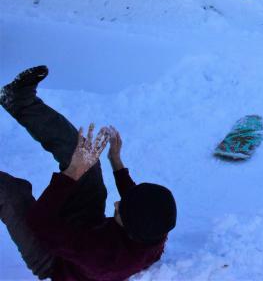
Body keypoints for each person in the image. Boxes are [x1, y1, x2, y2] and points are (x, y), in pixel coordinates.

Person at [0, 65, 177, 280]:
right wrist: (116, 162)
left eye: (120, 211)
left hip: (53, 255)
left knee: (10, 192)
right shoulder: (154, 233)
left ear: (131, 231)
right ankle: (20, 101)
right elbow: (138, 203)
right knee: (86, 159)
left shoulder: (102, 258)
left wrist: (72, 173)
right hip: (87, 225)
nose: (116, 204)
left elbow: (39, 222)